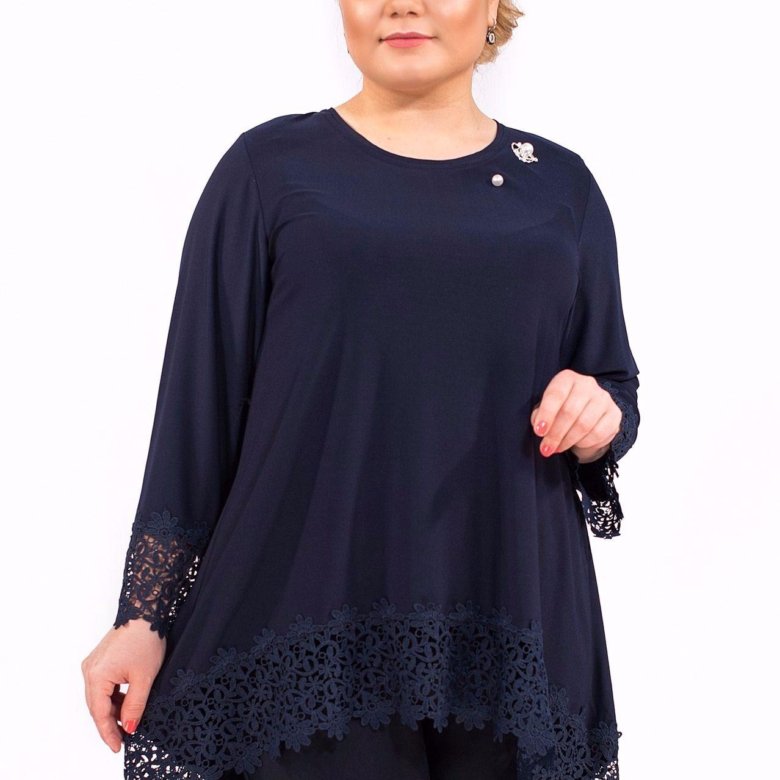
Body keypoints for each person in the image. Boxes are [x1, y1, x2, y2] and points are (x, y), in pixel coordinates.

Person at [81, 2, 640, 778]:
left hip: (514, 623)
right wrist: (144, 615)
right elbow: (197, 410)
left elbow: (611, 380)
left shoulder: (560, 189)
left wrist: (598, 413)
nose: (402, 3)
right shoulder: (269, 170)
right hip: (304, 628)